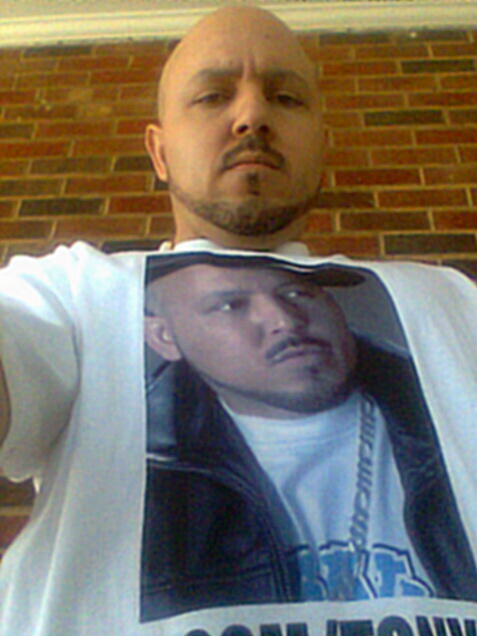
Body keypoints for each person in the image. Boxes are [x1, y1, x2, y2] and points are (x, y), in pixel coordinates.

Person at [0, 5, 476, 636]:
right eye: (212, 96)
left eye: (286, 97)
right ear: (160, 152)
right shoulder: (74, 293)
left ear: (323, 144)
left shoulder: (451, 301)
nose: (252, 115)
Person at [140, 258, 474, 620]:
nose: (285, 321)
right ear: (163, 337)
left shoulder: (456, 412)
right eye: (229, 305)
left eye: (298, 293)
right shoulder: (138, 472)